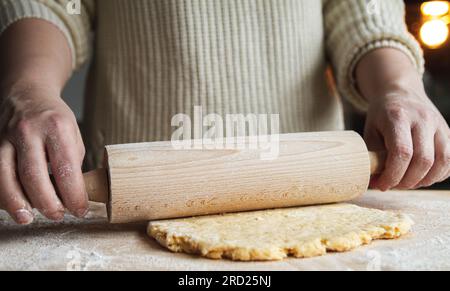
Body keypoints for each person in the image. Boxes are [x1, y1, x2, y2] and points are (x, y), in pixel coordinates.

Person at [0, 0, 449, 225]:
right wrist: (31, 89)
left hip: (311, 197)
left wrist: (398, 87)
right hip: (134, 201)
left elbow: (359, 9)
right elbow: (54, 4)